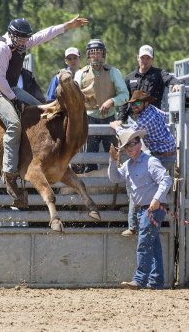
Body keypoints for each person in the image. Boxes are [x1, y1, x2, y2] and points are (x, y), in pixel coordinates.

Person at [0, 15, 88, 201]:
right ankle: (8, 172)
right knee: (14, 125)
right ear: (12, 35)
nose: (25, 42)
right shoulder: (1, 48)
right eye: (22, 38)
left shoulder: (20, 43)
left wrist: (67, 26)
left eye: (26, 38)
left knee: (41, 111)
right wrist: (14, 99)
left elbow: (43, 35)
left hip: (11, 88)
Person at [108, 128, 172, 290]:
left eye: (132, 144)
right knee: (152, 243)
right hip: (144, 209)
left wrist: (156, 199)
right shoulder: (129, 165)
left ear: (139, 144)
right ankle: (156, 281)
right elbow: (115, 177)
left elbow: (166, 179)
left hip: (152, 209)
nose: (129, 149)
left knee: (144, 242)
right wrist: (112, 161)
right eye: (126, 146)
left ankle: (140, 280)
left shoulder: (150, 162)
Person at [110, 90, 176, 236]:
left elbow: (129, 136)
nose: (134, 106)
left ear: (146, 103)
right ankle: (142, 209)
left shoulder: (145, 118)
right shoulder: (152, 109)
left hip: (161, 155)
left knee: (134, 182)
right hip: (165, 153)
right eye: (132, 103)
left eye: (137, 103)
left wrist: (116, 127)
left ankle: (133, 225)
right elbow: (167, 117)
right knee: (138, 179)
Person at [74, 39, 129, 173]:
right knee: (89, 158)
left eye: (98, 53)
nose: (95, 56)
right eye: (92, 53)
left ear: (103, 55)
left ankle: (113, 186)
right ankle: (91, 185)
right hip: (89, 119)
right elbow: (74, 97)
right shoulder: (81, 73)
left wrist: (111, 101)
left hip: (109, 119)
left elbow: (125, 95)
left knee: (114, 155)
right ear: (88, 56)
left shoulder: (113, 72)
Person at [118, 45, 181, 123]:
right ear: (137, 58)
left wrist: (176, 84)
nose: (145, 61)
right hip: (134, 120)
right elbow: (124, 100)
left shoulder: (159, 74)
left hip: (153, 119)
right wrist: (121, 120)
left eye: (148, 58)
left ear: (152, 59)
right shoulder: (129, 77)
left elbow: (170, 79)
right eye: (142, 58)